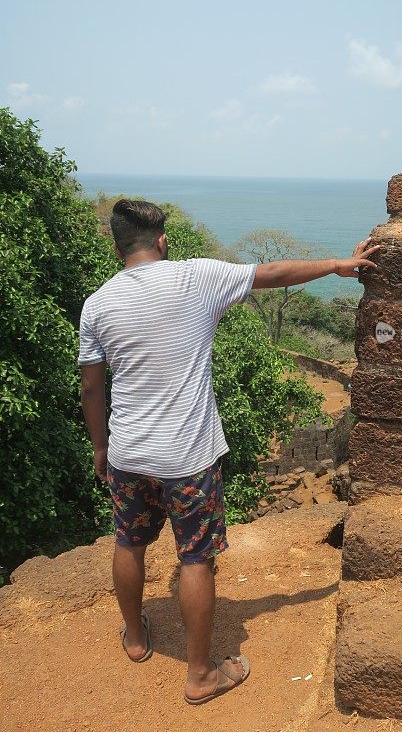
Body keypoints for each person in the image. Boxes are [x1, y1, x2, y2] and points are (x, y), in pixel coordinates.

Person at [78, 198, 380, 705]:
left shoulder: (97, 304)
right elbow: (273, 273)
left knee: (128, 543)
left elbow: (91, 389)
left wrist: (100, 448)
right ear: (162, 241)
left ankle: (134, 638)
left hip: (128, 453)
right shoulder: (196, 278)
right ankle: (200, 675)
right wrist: (336, 265)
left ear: (116, 247)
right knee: (195, 558)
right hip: (188, 457)